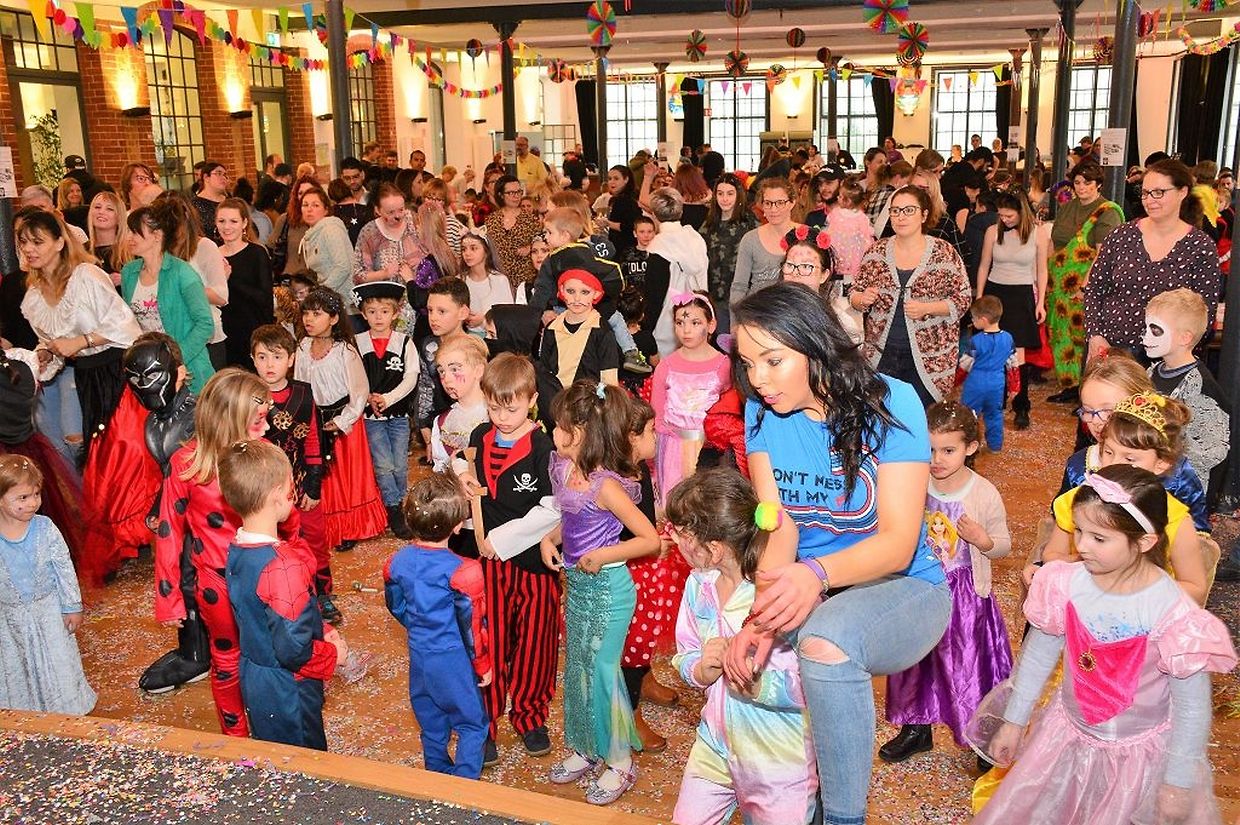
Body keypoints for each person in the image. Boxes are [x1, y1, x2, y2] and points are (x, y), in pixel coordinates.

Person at [725, 283, 951, 825]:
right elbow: (778, 527)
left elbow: (898, 542)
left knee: (827, 641)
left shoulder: (892, 400)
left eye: (773, 360)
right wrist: (761, 618)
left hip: (905, 586)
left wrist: (815, 574)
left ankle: (845, 818)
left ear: (814, 344)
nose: (758, 379)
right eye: (748, 363)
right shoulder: (761, 412)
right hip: (814, 584)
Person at [967, 465, 1236, 824]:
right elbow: (1037, 658)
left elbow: (1192, 708)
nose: (1080, 546)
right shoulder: (1064, 583)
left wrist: (1177, 782)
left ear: (1144, 542)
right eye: (1079, 531)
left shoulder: (1173, 613)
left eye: (1099, 538)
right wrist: (1014, 721)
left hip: (1138, 760)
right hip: (1065, 739)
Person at [666, 467, 817, 825]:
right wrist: (699, 669)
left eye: (682, 533)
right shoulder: (698, 585)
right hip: (714, 747)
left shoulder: (784, 595)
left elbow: (817, 684)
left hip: (778, 764)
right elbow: (685, 652)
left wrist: (759, 685)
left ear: (714, 549)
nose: (673, 539)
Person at [541, 380, 659, 805]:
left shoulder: (607, 485)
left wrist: (605, 554)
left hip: (610, 590)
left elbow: (649, 540)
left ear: (582, 433)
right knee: (579, 669)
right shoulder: (565, 470)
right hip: (578, 587)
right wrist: (551, 538)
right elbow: (573, 519)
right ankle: (587, 746)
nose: (554, 433)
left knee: (604, 671)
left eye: (561, 427)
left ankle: (620, 760)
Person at [881, 403, 1012, 766]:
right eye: (930, 449)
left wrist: (983, 540)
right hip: (919, 584)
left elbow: (1003, 545)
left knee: (966, 664)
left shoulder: (983, 493)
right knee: (915, 659)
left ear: (971, 447)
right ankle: (916, 727)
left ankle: (979, 734)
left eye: (948, 450)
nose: (936, 459)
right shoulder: (915, 482)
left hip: (965, 596)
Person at [154, 368, 276, 736]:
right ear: (232, 419)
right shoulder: (186, 464)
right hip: (216, 583)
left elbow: (290, 524)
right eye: (258, 420)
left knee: (272, 654)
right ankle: (235, 739)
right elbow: (168, 533)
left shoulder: (266, 455)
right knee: (226, 660)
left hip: (265, 577)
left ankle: (273, 729)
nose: (267, 427)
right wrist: (169, 598)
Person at [458, 353, 561, 764]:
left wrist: (500, 540)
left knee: (536, 643)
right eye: (493, 408)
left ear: (532, 400)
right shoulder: (480, 435)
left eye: (511, 409)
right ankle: (484, 722)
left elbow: (553, 509)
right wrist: (462, 476)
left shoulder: (544, 448)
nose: (501, 418)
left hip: (533, 564)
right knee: (490, 641)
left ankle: (530, 716)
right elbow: (460, 461)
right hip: (489, 569)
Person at [220, 439, 346, 749]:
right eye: (292, 486)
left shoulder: (238, 546)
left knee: (273, 752)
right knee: (302, 756)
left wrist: (319, 627)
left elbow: (267, 616)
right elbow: (293, 651)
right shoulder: (283, 565)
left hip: (254, 675)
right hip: (288, 686)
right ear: (277, 494)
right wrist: (334, 655)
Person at [1041, 391, 1209, 605]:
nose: (1113, 464)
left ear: (1161, 463)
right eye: (1108, 452)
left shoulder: (1175, 519)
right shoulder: (1078, 499)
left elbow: (1196, 588)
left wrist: (1138, 585)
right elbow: (1052, 555)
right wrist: (1085, 562)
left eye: (1130, 458)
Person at [383, 471, 492, 778]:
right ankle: (463, 788)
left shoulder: (395, 562)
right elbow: (472, 627)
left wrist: (421, 627)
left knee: (431, 724)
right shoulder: (465, 571)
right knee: (472, 724)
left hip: (419, 654)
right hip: (452, 658)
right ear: (457, 525)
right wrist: (482, 664)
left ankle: (436, 780)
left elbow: (396, 606)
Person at [20, 209, 140, 448]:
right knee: (90, 448)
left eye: (37, 242)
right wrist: (46, 352)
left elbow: (125, 325)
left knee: (122, 449)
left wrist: (82, 341)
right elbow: (54, 338)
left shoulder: (86, 275)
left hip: (118, 371)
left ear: (59, 243)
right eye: (23, 242)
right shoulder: (34, 295)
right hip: (85, 375)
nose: (28, 249)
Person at [1084, 159, 1221, 362]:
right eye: (1145, 193)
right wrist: (1095, 335)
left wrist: (1178, 354)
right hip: (1111, 350)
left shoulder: (1200, 246)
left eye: (1158, 192)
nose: (1149, 200)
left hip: (1168, 358)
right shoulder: (1121, 235)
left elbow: (1205, 311)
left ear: (1182, 192)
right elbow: (1094, 289)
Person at [852, 186, 972, 406]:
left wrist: (929, 308)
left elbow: (963, 298)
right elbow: (855, 293)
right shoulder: (876, 252)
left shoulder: (944, 253)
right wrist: (862, 299)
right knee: (883, 412)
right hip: (882, 354)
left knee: (922, 414)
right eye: (895, 211)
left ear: (924, 215)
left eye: (909, 210)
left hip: (930, 358)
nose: (901, 217)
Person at [250, 324, 334, 624]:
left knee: (314, 540)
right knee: (269, 544)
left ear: (291, 358)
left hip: (299, 484)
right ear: (252, 359)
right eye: (262, 357)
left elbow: (312, 441)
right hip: (261, 488)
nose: (269, 364)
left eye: (277, 356)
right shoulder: (248, 395)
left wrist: (313, 485)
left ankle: (321, 594)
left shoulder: (303, 393)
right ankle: (275, 598)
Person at [0, 454, 95, 715]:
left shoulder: (45, 528)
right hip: (8, 620)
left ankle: (65, 708)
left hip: (49, 614)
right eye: (22, 498)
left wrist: (72, 606)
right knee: (16, 664)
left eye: (36, 494)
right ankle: (23, 712)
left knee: (57, 661)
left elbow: (64, 568)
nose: (33, 503)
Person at [294, 288, 387, 554]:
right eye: (306, 313)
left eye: (317, 314)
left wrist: (343, 420)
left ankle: (349, 528)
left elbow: (360, 391)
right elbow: (300, 384)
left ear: (334, 318)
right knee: (322, 476)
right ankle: (323, 526)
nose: (309, 319)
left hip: (344, 422)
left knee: (345, 477)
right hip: (315, 419)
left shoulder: (344, 351)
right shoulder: (303, 347)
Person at [617, 397, 676, 752]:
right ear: (630, 437)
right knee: (630, 646)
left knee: (646, 635)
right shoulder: (619, 481)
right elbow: (621, 536)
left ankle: (646, 678)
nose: (657, 436)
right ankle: (631, 714)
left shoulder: (639, 468)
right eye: (651, 431)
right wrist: (653, 545)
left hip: (646, 568)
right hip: (629, 574)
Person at [1045, 160, 1123, 402]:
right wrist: (1047, 276)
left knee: (1083, 338)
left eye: (1087, 182)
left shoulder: (1107, 211)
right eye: (1077, 182)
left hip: (1084, 287)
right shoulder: (1068, 207)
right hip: (1059, 287)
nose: (1081, 187)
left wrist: (1085, 287)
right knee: (1061, 336)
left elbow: (1103, 256)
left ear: (1098, 184)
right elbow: (1053, 242)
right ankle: (1070, 386)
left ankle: (1089, 391)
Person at [120, 206, 216, 393]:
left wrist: (174, 359)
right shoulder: (129, 273)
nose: (129, 237)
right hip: (148, 370)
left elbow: (205, 324)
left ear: (157, 235)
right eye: (128, 231)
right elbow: (130, 323)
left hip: (189, 370)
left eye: (135, 232)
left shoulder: (183, 273)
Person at [1143, 288, 1230, 488]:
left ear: (1185, 338)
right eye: (1146, 328)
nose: (1145, 337)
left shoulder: (1201, 386)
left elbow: (1211, 452)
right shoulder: (1151, 372)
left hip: (1179, 486)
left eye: (1155, 330)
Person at [651, 291, 730, 506]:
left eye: (695, 323)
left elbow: (730, 415)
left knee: (706, 506)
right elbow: (656, 416)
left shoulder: (724, 366)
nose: (686, 330)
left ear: (711, 325)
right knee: (675, 505)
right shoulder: (666, 366)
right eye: (680, 323)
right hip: (672, 451)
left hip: (710, 452)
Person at [976, 191, 1047, 430]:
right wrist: (979, 297)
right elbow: (984, 265)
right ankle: (996, 400)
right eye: (1001, 215)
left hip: (1022, 295)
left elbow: (1042, 270)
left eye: (1009, 216)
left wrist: (1040, 302)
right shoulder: (992, 232)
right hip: (996, 293)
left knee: (1018, 355)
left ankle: (1021, 405)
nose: (1004, 219)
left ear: (1021, 213)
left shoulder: (1038, 233)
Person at [353, 282, 418, 540]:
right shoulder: (357, 343)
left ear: (395, 313)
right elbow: (352, 377)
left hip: (398, 415)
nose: (378, 317)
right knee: (383, 465)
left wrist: (388, 398)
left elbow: (411, 377)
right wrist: (367, 396)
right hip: (371, 416)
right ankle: (394, 510)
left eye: (384, 311)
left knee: (399, 465)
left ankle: (397, 503)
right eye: (372, 312)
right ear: (363, 314)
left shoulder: (405, 343)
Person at [643, 188, 709, 357]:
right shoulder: (696, 238)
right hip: (698, 316)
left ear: (654, 214)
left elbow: (654, 296)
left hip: (667, 325)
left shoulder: (658, 247)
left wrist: (646, 331)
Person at [538, 270, 622, 400]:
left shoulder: (602, 331)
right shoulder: (551, 329)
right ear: (561, 291)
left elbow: (609, 381)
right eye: (571, 291)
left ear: (596, 293)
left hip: (589, 405)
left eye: (585, 292)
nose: (577, 299)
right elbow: (544, 374)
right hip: (555, 403)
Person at [216, 198, 274, 369]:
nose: (227, 227)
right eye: (222, 221)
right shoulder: (212, 254)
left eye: (233, 221)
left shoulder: (257, 253)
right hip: (223, 335)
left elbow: (264, 299)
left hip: (252, 333)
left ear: (244, 223)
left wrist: (230, 279)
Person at [701, 173, 758, 334]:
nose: (725, 199)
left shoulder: (749, 222)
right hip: (716, 295)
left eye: (730, 193)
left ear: (738, 194)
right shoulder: (709, 223)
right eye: (720, 193)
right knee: (721, 339)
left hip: (743, 295)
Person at [731, 178, 802, 304]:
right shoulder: (750, 240)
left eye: (780, 203)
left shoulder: (807, 236)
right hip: (758, 310)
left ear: (792, 203)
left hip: (796, 309)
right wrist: (737, 315)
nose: (773, 209)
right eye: (768, 203)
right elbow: (739, 286)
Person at [429, 334, 490, 478]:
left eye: (455, 369)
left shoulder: (496, 415)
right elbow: (440, 469)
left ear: (478, 371)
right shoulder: (442, 422)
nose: (446, 379)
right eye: (442, 371)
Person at [960, 296, 1016, 452]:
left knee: (969, 415)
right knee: (994, 415)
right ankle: (995, 446)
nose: (972, 321)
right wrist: (1014, 387)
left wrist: (955, 381)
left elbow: (965, 364)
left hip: (975, 384)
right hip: (997, 384)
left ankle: (968, 446)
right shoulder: (1008, 338)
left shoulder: (975, 341)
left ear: (983, 320)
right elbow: (1013, 364)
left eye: (974, 318)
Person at [299, 187, 358, 330]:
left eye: (315, 205)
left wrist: (320, 293)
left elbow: (343, 267)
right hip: (328, 305)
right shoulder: (311, 234)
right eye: (305, 205)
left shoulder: (330, 229)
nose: (309, 209)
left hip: (344, 307)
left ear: (326, 209)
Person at [485, 175, 543, 290]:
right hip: (499, 277)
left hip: (524, 277)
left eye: (518, 192)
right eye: (511, 193)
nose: (516, 196)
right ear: (501, 195)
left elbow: (542, 241)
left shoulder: (530, 219)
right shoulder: (491, 220)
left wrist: (530, 247)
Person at [459, 232, 514, 335]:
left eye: (473, 248)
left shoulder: (500, 280)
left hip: (494, 336)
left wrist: (483, 320)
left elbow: (508, 315)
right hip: (467, 336)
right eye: (464, 249)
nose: (467, 253)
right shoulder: (460, 280)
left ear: (486, 251)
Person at [86, 191, 132, 281]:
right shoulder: (81, 251)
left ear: (119, 217)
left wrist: (126, 281)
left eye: (109, 209)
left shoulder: (131, 250)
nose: (101, 212)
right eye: (97, 207)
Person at [604, 165, 642, 256]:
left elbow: (630, 226)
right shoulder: (620, 198)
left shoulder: (624, 200)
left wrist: (608, 223)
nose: (612, 182)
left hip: (624, 249)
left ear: (626, 180)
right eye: (609, 179)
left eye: (616, 179)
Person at [193, 161, 229, 244]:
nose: (223, 177)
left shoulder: (231, 202)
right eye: (218, 173)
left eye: (225, 174)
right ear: (206, 177)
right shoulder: (194, 205)